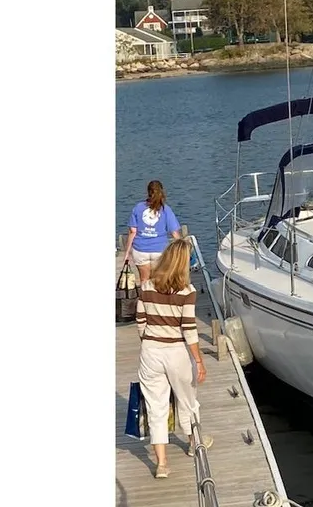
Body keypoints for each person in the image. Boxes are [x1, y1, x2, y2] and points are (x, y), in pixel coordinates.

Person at [135, 239, 210, 478]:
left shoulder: (146, 286)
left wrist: (147, 341)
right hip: (176, 351)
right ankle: (192, 443)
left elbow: (140, 321)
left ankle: (162, 464)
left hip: (150, 351)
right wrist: (198, 360)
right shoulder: (187, 292)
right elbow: (189, 329)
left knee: (156, 406)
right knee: (188, 399)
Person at [123, 180, 181, 284]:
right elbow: (174, 233)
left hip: (140, 250)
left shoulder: (138, 208)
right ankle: (156, 299)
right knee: (158, 281)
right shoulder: (165, 209)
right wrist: (182, 251)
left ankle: (144, 299)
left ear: (148, 192)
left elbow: (133, 231)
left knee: (144, 280)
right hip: (159, 251)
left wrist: (127, 252)